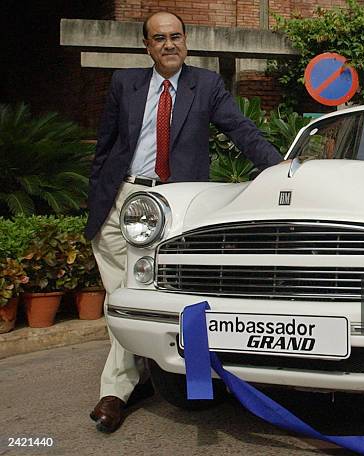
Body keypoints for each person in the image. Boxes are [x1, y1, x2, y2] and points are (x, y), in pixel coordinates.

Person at [86, 11, 282, 433]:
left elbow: (241, 131)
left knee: (142, 298)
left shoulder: (206, 85)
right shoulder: (125, 84)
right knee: (122, 298)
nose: (169, 44)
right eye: (159, 38)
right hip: (122, 201)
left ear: (186, 41)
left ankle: (120, 389)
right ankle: (134, 381)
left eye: (176, 36)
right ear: (147, 46)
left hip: (173, 209)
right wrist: (97, 200)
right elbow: (106, 146)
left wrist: (283, 170)